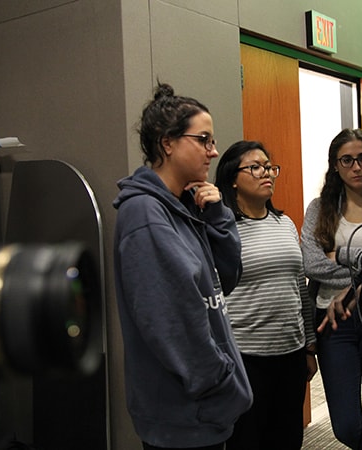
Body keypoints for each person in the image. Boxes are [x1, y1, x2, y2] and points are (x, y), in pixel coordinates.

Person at [112, 82, 252, 450]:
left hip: (200, 410)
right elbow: (169, 322)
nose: (214, 151)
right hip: (184, 413)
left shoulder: (186, 206)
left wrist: (219, 217)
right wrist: (218, 382)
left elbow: (227, 279)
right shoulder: (145, 215)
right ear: (167, 143)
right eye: (203, 139)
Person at [214, 140, 317, 450]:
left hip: (290, 354)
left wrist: (309, 346)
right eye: (255, 167)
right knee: (248, 441)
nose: (267, 173)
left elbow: (300, 286)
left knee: (287, 439)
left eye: (269, 167)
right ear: (233, 178)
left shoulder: (283, 223)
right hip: (246, 358)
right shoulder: (223, 228)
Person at [301, 128, 362, 449]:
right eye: (347, 160)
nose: (356, 167)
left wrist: (339, 255)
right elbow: (313, 264)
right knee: (347, 425)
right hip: (334, 321)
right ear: (336, 166)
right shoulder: (319, 209)